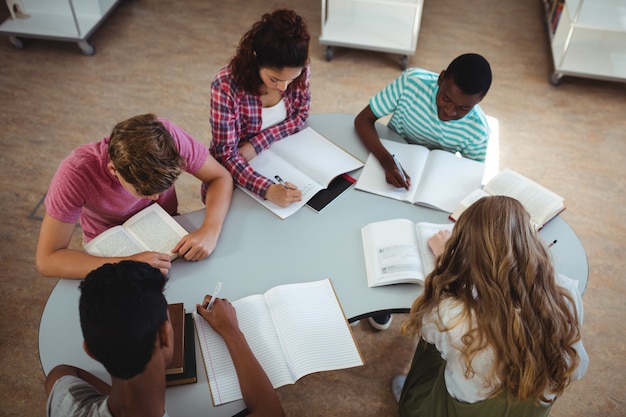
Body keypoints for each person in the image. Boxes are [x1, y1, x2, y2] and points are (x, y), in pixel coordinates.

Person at [392, 196, 588, 417]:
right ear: (529, 243)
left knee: (430, 343)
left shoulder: (451, 316)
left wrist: (445, 263)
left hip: (453, 411)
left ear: (464, 251)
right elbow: (578, 369)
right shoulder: (565, 293)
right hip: (526, 410)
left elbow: (426, 327)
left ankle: (411, 401)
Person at [355, 53, 492, 330]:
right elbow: (363, 120)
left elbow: (468, 176)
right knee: (365, 226)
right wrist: (386, 160)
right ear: (441, 79)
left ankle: (385, 299)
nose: (449, 112)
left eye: (463, 108)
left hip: (430, 188)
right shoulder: (412, 82)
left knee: (414, 248)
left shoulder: (478, 129)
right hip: (389, 166)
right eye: (446, 99)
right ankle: (360, 293)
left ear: (478, 102)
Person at [45, 260, 285, 417]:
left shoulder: (66, 407)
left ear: (91, 351)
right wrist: (232, 332)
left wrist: (130, 393)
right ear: (164, 337)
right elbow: (271, 411)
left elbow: (62, 372)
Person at [36, 113, 233, 279]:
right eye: (145, 192)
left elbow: (220, 177)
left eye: (164, 188)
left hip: (166, 227)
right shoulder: (76, 172)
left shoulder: (166, 138)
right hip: (108, 247)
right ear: (114, 170)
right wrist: (124, 264)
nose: (156, 198)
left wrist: (210, 229)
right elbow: (47, 259)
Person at [207, 8, 311, 208]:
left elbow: (300, 114)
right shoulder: (226, 85)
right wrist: (268, 189)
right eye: (275, 79)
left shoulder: (299, 69)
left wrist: (257, 144)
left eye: (292, 79)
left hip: (283, 158)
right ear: (255, 58)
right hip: (237, 174)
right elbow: (225, 153)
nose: (284, 87)